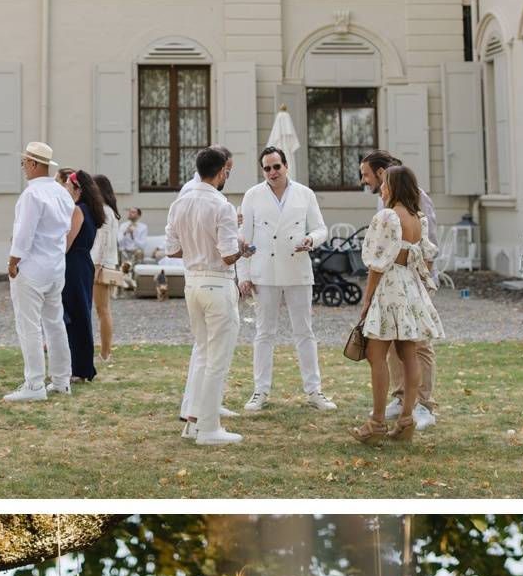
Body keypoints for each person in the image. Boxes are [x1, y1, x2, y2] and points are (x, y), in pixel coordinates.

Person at [164, 145, 251, 446]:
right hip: (217, 283)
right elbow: (228, 256)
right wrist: (243, 247)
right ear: (221, 171)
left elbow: (173, 250)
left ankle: (192, 422)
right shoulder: (222, 205)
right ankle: (210, 427)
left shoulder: (180, 203)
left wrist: (197, 247)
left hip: (192, 285)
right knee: (217, 359)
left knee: (203, 353)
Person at [351, 163, 443, 444]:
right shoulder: (418, 218)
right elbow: (426, 256)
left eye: (385, 184)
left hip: (389, 285)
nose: (381, 189)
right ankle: (406, 420)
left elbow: (376, 262)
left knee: (376, 356)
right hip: (410, 285)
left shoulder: (388, 216)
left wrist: (367, 300)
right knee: (409, 354)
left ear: (394, 186)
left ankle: (376, 423)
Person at [239, 147, 334, 413]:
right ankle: (260, 390)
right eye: (267, 168)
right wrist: (243, 275)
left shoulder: (305, 193)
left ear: (286, 166)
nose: (272, 172)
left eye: (276, 167)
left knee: (304, 332)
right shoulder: (253, 195)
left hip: (297, 268)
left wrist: (311, 240)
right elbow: (243, 238)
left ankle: (314, 390)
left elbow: (321, 228)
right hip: (264, 272)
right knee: (264, 333)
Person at [5, 143, 82, 401]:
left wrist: (12, 261)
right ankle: (61, 380)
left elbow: (23, 234)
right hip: (55, 265)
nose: (24, 168)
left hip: (32, 267)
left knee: (29, 326)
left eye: (25, 162)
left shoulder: (32, 195)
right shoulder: (61, 193)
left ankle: (35, 385)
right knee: (55, 323)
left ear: (34, 164)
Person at [62, 170, 105, 381]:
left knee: (75, 316)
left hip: (74, 265)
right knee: (80, 314)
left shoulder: (78, 210)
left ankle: (80, 368)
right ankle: (81, 366)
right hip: (82, 263)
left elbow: (66, 244)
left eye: (68, 186)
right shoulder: (90, 210)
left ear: (77, 189)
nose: (66, 190)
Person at [90, 173, 123, 361]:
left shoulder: (104, 211)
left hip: (99, 264)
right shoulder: (110, 211)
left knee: (102, 309)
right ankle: (105, 351)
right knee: (103, 309)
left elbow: (102, 243)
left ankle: (105, 352)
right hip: (103, 263)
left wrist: (97, 267)